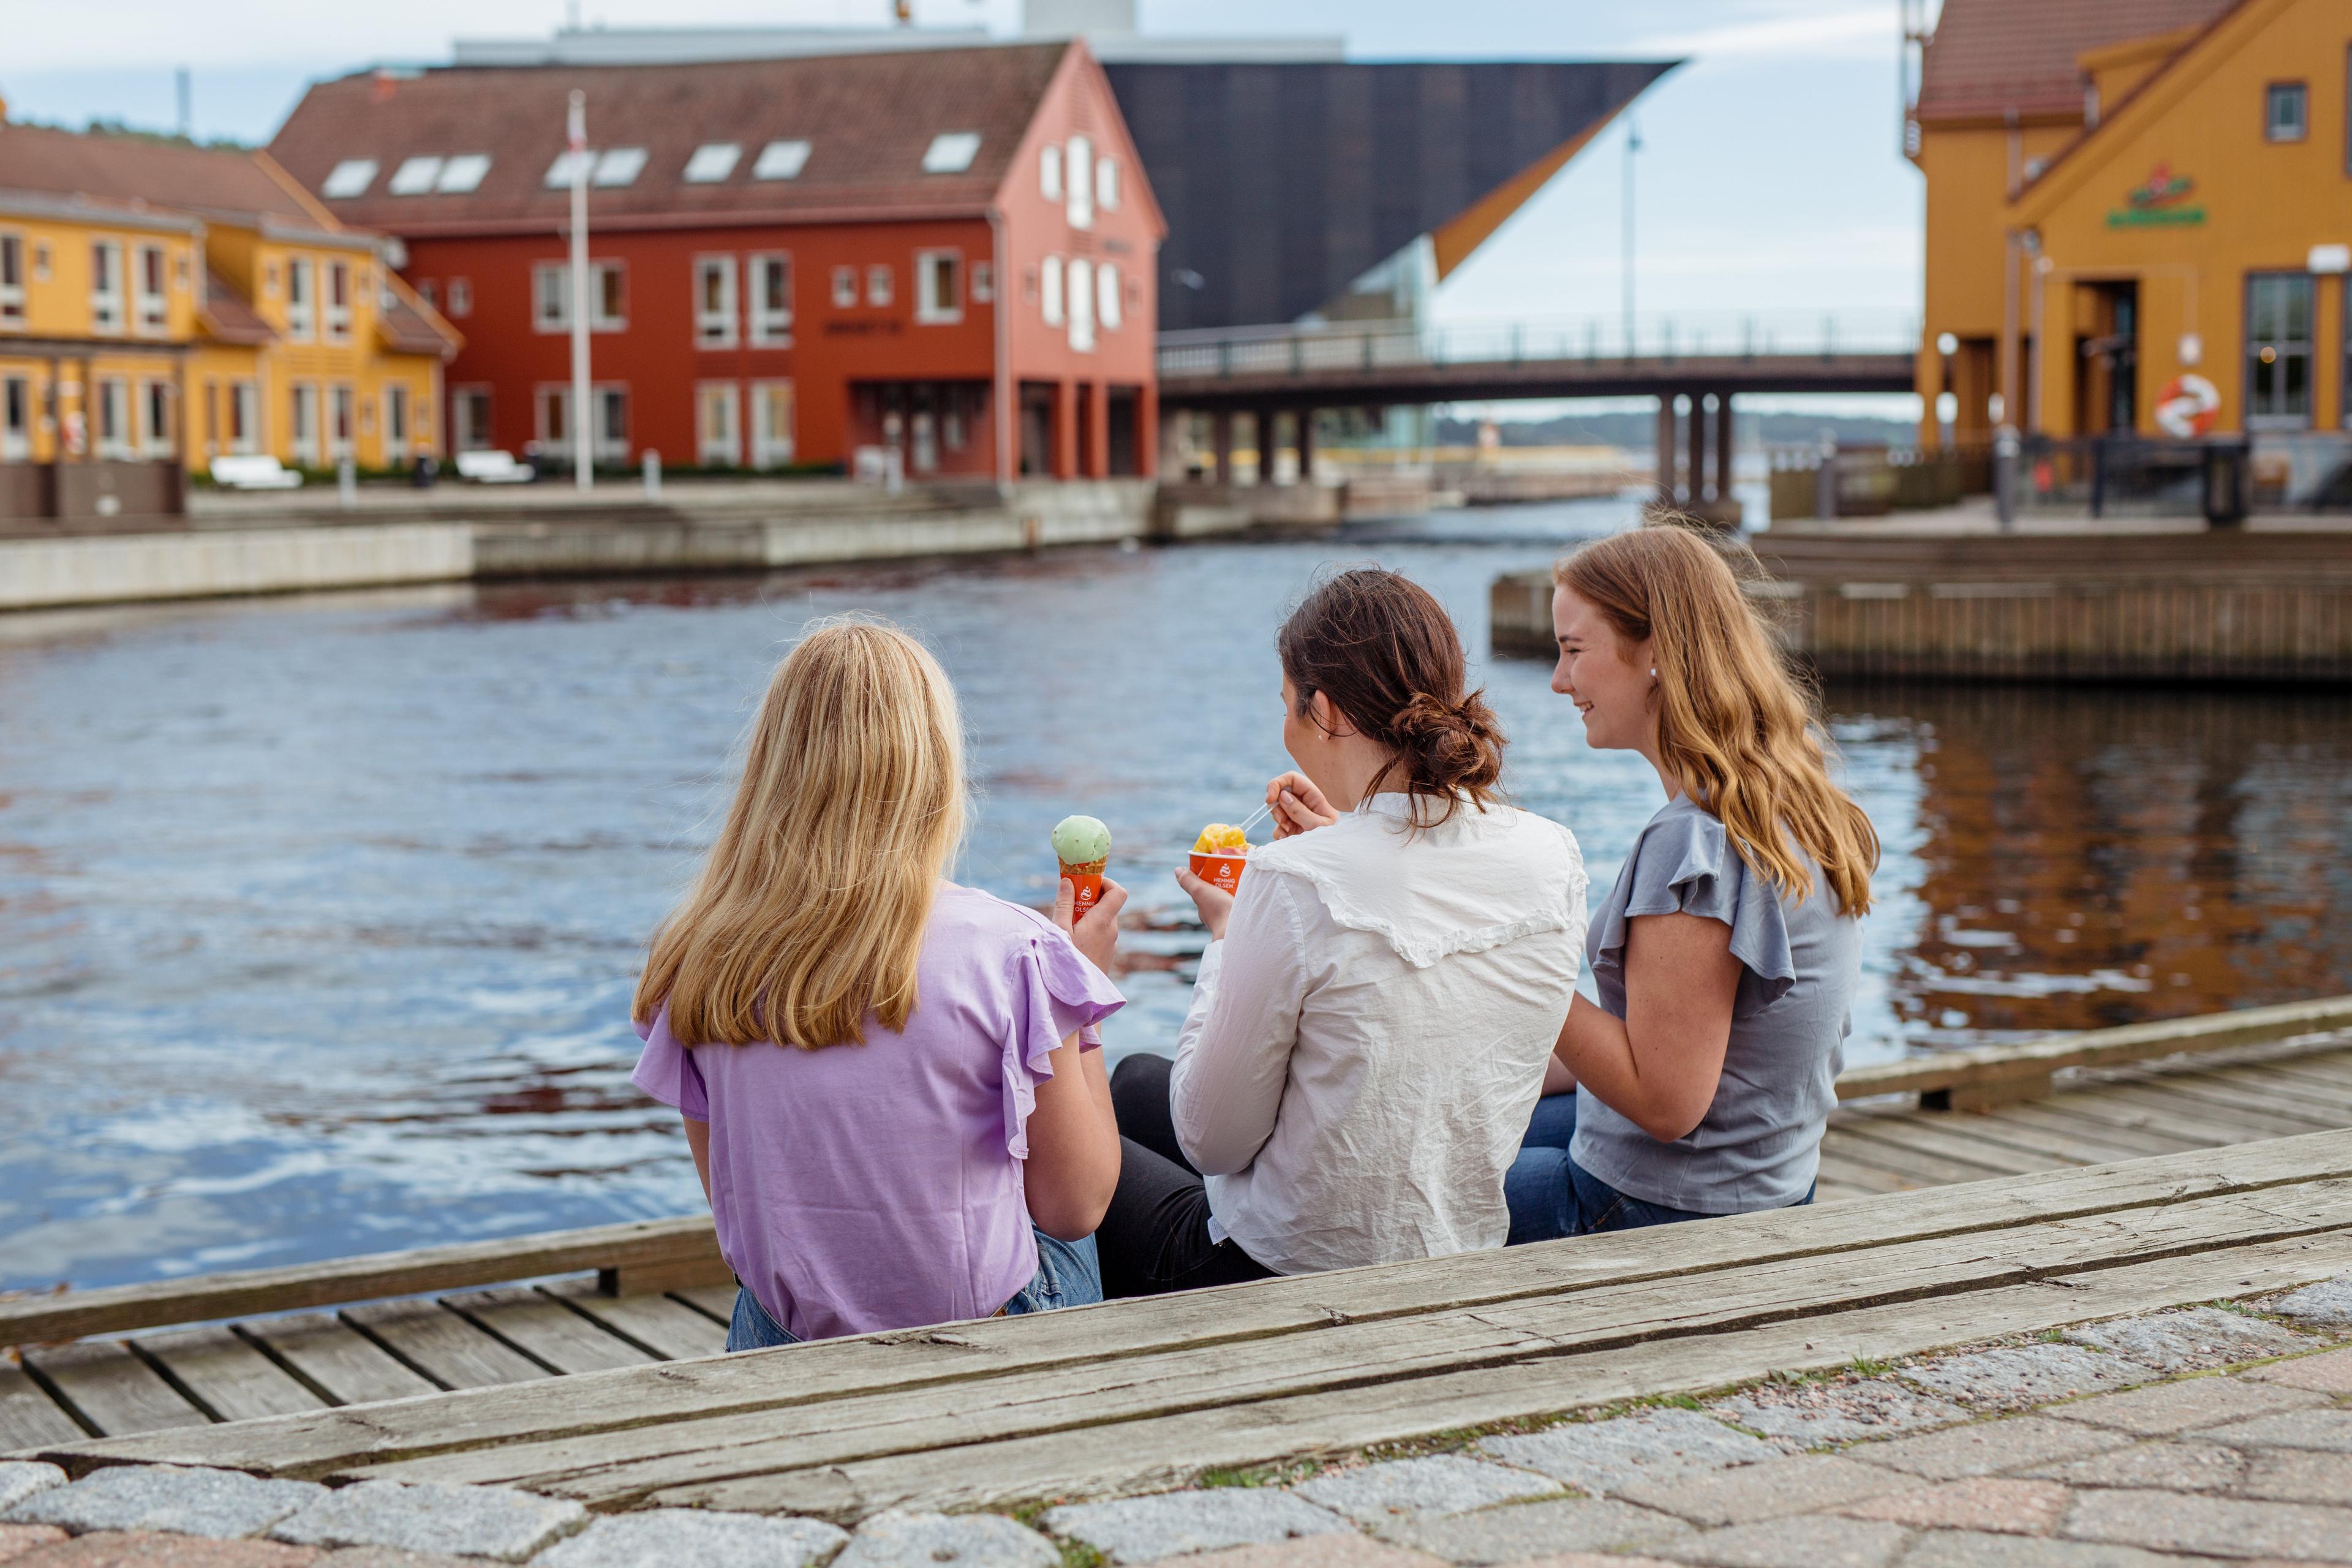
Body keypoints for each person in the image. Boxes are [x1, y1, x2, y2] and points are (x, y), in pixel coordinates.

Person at [628, 618, 1126, 1348]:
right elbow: (1076, 1205)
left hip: (783, 1341)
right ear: (931, 768)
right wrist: (1078, 1006)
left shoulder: (697, 957)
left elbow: (735, 1206)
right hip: (974, 1340)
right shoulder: (1015, 947)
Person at [1096, 568, 1588, 1296]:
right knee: (1138, 1080)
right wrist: (1338, 840)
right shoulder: (1555, 855)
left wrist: (1231, 934)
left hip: (1285, 1273)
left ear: (1322, 710)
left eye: (1287, 705)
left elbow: (1212, 1138)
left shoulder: (1294, 879)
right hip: (1458, 1246)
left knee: (1086, 1151)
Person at [1509, 523, 1876, 1240]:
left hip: (1659, 1211)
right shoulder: (1790, 796)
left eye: (1573, 650)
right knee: (1471, 1119)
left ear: (1654, 653)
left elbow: (1666, 1100)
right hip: (1764, 1183)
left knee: (1395, 1187)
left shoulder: (1693, 841)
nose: (1559, 680)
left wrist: (1510, 963)